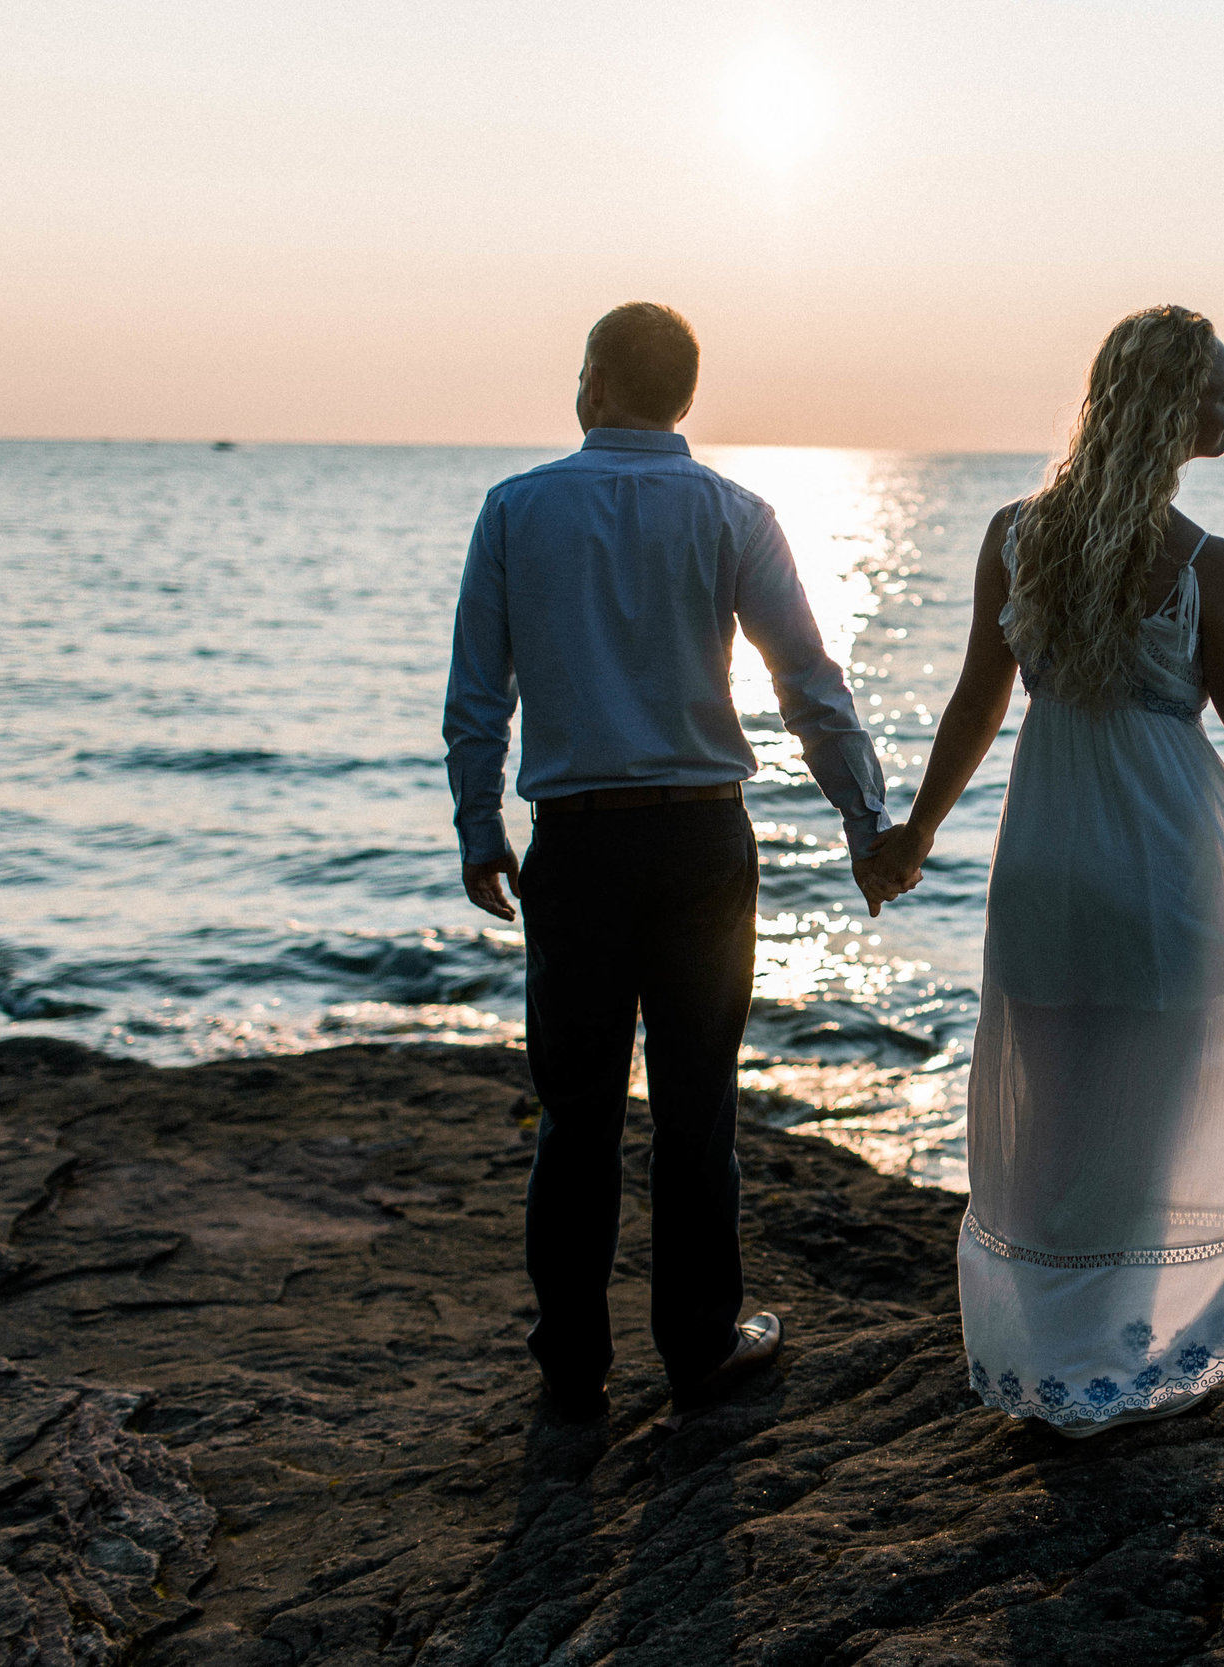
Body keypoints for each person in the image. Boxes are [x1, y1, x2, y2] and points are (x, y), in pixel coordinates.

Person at [861, 305, 1224, 1436]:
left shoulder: (1012, 533)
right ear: (1169, 403)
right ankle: (1116, 1360)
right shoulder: (1206, 567)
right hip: (1154, 868)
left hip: (1042, 860)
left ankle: (1049, 1360)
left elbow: (973, 707)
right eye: (1219, 389)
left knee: (1048, 1126)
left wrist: (915, 836)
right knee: (1142, 1124)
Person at [443, 302, 896, 1425]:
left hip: (578, 842)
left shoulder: (516, 509)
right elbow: (810, 683)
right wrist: (864, 820)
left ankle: (571, 1367)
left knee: (576, 1111)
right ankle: (697, 1345)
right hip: (700, 840)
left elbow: (475, 699)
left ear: (595, 379)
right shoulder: (735, 513)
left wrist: (477, 828)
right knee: (698, 1110)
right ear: (683, 394)